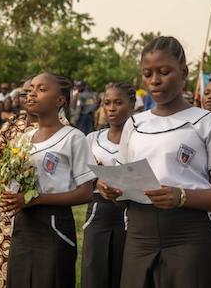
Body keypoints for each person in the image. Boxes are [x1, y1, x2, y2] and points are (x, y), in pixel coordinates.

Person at [99, 36, 211, 288]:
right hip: (139, 236)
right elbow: (125, 185)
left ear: (183, 72)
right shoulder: (134, 124)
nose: (155, 80)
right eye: (147, 73)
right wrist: (111, 189)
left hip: (189, 234)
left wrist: (182, 196)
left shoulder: (206, 122)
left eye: (164, 72)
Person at [0, 73, 96, 288]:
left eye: (41, 89)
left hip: (53, 226)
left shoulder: (73, 137)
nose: (32, 93)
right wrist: (9, 196)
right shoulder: (23, 139)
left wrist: (37, 199)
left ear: (59, 100)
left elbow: (86, 193)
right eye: (31, 88)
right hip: (23, 225)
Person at [81, 82, 136, 288]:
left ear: (131, 104)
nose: (111, 108)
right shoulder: (92, 139)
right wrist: (96, 177)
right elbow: (80, 178)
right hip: (98, 212)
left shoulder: (141, 140)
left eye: (118, 103)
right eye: (107, 103)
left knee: (125, 271)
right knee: (94, 269)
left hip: (131, 211)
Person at [0, 77, 39, 288]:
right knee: (8, 256)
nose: (29, 96)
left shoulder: (59, 129)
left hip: (40, 203)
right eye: (25, 93)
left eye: (35, 92)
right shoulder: (11, 125)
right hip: (9, 202)